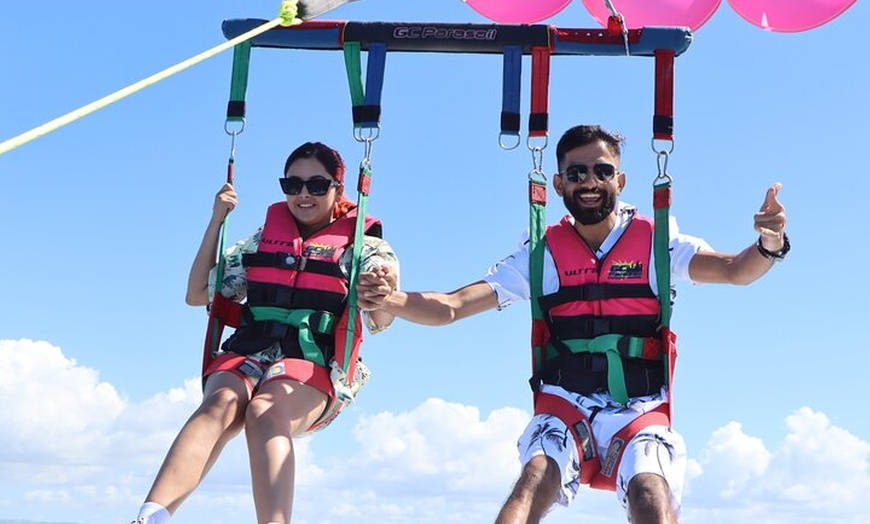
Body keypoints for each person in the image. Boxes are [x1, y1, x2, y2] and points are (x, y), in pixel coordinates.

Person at [357, 125, 788, 524]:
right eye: (577, 172)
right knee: (533, 480)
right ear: (559, 183)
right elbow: (451, 307)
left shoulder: (659, 242)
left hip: (639, 408)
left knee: (651, 495)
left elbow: (734, 269)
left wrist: (769, 241)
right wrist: (389, 299)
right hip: (565, 403)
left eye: (603, 171)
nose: (589, 181)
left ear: (620, 182)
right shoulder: (540, 256)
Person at [133, 141, 399, 524]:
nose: (303, 194)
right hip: (251, 351)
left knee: (264, 409)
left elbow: (382, 317)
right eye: (292, 185)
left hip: (316, 365)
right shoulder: (260, 242)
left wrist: (381, 289)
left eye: (317, 185)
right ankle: (149, 517)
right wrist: (216, 221)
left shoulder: (364, 249)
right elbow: (197, 294)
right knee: (219, 405)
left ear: (338, 188)